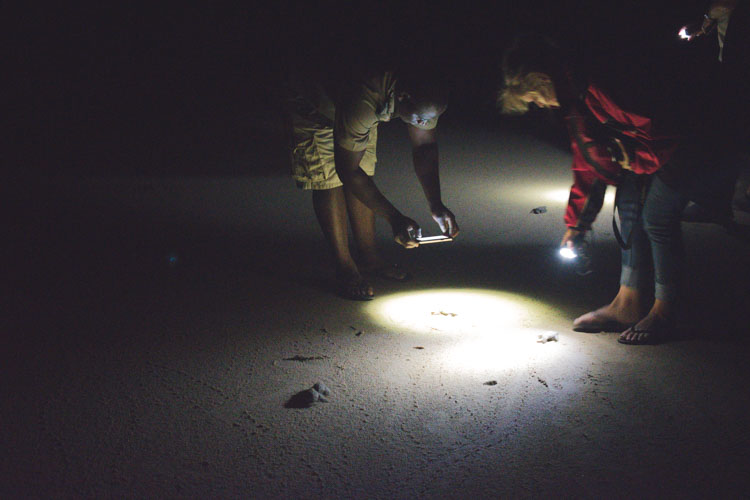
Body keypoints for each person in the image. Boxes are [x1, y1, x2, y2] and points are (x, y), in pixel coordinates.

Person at [498, 35, 695, 345]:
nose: (537, 104)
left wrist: (636, 160)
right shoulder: (573, 96)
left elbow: (660, 126)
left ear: (542, 79)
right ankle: (627, 303)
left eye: (534, 97)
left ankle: (664, 311)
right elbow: (587, 161)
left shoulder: (593, 85)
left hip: (691, 143)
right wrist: (576, 224)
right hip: (653, 150)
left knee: (657, 218)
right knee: (629, 206)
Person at [284, 65, 459, 300]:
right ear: (403, 97)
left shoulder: (423, 99)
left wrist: (436, 204)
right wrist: (394, 218)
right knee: (328, 178)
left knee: (364, 171)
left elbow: (425, 147)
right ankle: (344, 266)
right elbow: (347, 171)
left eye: (430, 120)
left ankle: (369, 259)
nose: (423, 123)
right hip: (316, 101)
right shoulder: (365, 100)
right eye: (420, 118)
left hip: (353, 103)